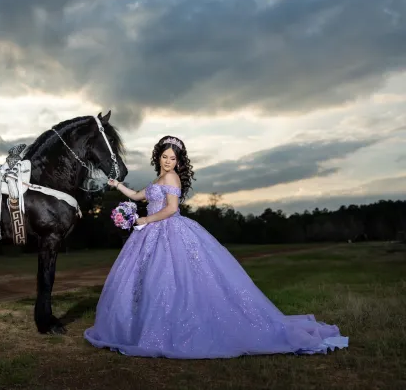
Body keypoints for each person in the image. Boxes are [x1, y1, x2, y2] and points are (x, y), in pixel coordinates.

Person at [83, 135, 348, 359]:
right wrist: (118, 186)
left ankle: (176, 328)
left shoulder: (173, 179)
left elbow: (172, 209)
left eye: (173, 158)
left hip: (169, 231)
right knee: (150, 282)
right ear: (158, 156)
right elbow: (138, 195)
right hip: (149, 233)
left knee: (176, 279)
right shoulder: (156, 181)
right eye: (164, 156)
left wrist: (144, 219)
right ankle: (145, 327)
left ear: (178, 161)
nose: (168, 161)